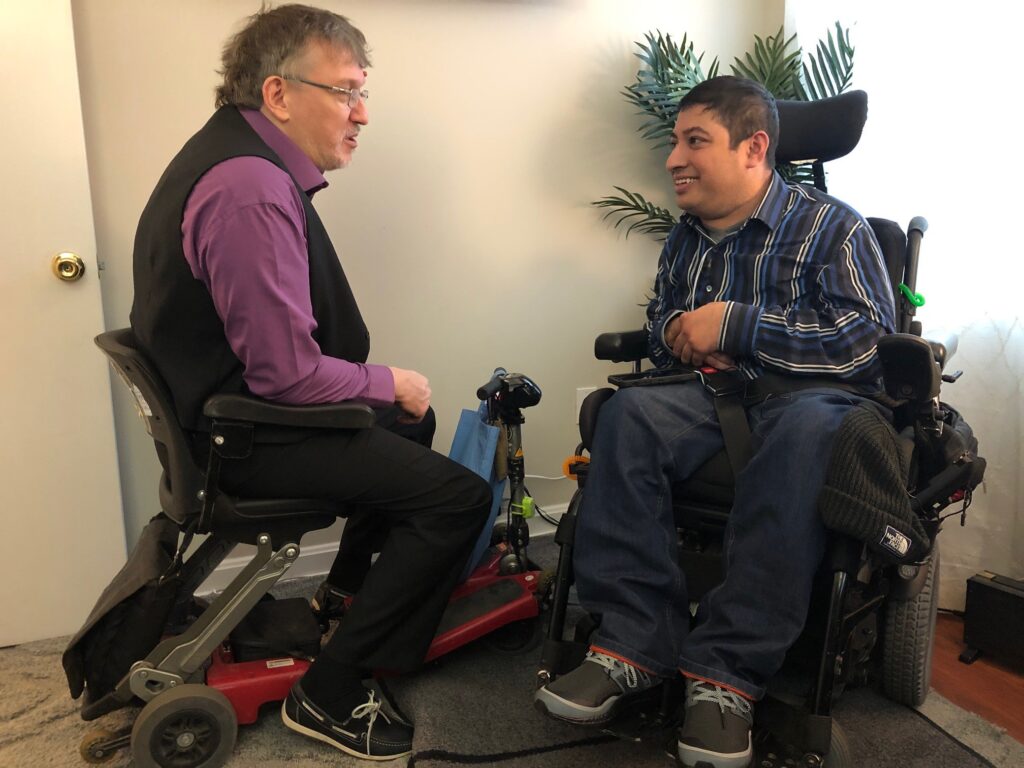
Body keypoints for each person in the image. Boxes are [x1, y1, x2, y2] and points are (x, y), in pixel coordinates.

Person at [129, 5, 492, 761]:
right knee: (458, 500)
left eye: (363, 94)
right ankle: (331, 691)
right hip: (248, 436)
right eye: (346, 91)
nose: (362, 114)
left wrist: (387, 395)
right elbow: (285, 375)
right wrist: (388, 379)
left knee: (412, 425)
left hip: (229, 419)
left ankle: (343, 599)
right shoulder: (249, 188)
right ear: (279, 94)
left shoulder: (230, 158)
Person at [534, 76, 896, 768]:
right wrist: (678, 330)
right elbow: (659, 319)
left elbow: (863, 344)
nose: (673, 158)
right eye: (675, 141)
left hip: (812, 399)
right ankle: (634, 643)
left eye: (694, 141)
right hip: (712, 395)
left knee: (804, 433)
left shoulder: (833, 227)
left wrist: (738, 324)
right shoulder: (686, 238)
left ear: (754, 148)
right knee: (627, 413)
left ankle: (725, 674)